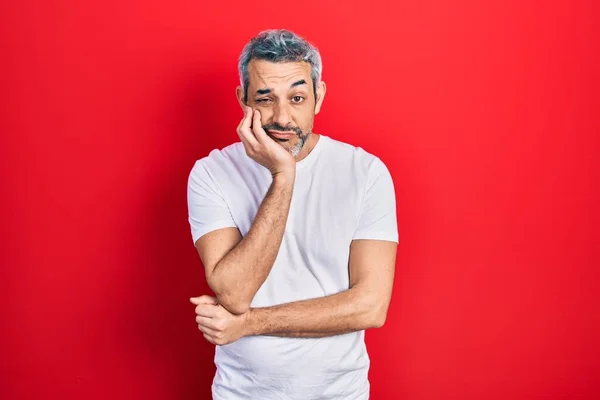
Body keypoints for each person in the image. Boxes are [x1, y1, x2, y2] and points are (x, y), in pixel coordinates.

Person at [186, 29, 398, 400]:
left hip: (340, 393)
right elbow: (234, 293)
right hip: (242, 392)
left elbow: (370, 306)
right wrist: (283, 176)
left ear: (319, 98)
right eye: (265, 99)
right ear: (243, 100)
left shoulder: (365, 172)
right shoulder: (212, 172)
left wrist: (249, 324)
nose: (282, 117)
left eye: (297, 98)